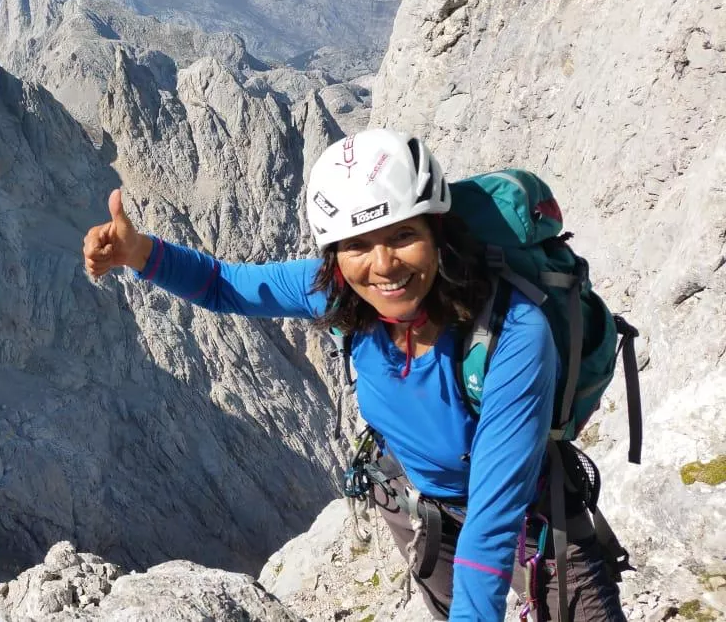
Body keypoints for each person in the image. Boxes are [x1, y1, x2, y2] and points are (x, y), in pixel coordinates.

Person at [82, 129, 626, 621]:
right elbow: (226, 285)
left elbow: (492, 522)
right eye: (359, 245)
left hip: (525, 510)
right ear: (335, 255)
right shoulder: (337, 290)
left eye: (403, 235)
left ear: (438, 231)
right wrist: (141, 253)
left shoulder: (513, 333)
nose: (383, 264)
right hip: (415, 506)